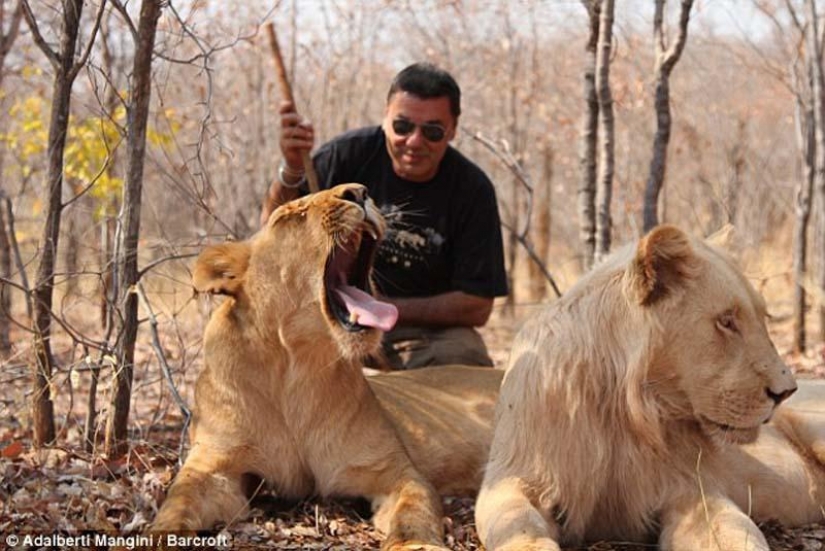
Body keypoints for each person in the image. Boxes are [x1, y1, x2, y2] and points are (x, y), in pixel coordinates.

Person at [261, 62, 508, 369]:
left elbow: (476, 306)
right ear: (385, 117)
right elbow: (270, 238)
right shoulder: (344, 157)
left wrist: (379, 310)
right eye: (402, 126)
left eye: (432, 131)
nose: (414, 141)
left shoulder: (473, 190)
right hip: (333, 320)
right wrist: (292, 169)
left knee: (464, 362)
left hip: (424, 336)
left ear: (453, 129)